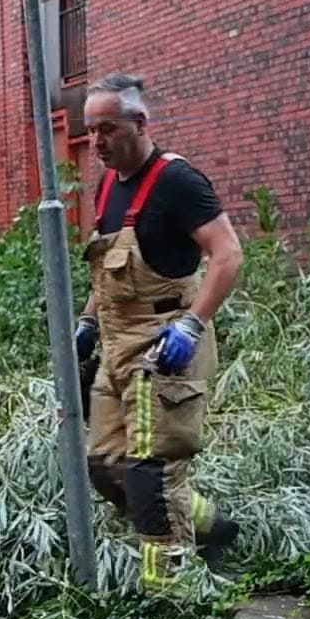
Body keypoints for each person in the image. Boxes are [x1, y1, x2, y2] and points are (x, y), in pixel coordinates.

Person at [74, 72, 245, 586]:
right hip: (117, 346)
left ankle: (167, 600)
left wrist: (192, 325)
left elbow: (229, 254)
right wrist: (86, 322)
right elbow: (109, 269)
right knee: (106, 466)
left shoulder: (178, 182)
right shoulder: (107, 186)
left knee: (152, 475)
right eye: (90, 131)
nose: (96, 142)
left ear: (140, 123)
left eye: (106, 129)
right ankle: (214, 528)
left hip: (164, 349)